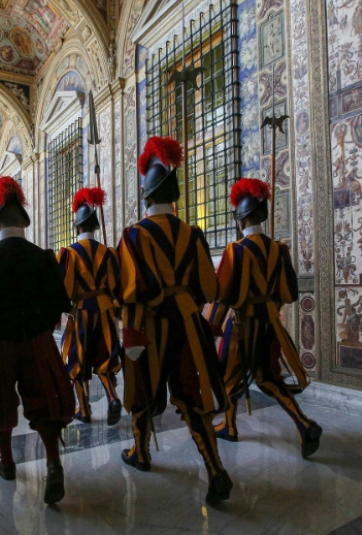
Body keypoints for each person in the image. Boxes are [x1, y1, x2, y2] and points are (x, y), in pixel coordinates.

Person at [117, 136, 233, 504]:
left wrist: (131, 334)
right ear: (174, 196)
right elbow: (208, 288)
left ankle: (141, 452)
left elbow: (130, 292)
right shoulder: (193, 233)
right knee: (190, 396)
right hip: (187, 325)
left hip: (150, 328)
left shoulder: (133, 235)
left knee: (143, 395)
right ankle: (215, 469)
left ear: (146, 196)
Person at [0, 176, 74, 504]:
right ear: (24, 222)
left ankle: (6, 462)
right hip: (38, 340)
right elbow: (57, 307)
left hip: (0, 342)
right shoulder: (43, 257)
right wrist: (42, 330)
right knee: (46, 400)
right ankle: (53, 464)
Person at [205, 178, 322, 458]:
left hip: (243, 325)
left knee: (226, 374)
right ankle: (303, 424)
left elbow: (223, 294)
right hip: (270, 324)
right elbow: (290, 292)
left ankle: (230, 426)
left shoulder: (236, 250)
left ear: (241, 218)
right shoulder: (279, 250)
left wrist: (212, 326)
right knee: (268, 377)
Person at [57, 186, 123, 426]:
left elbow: (64, 289)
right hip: (105, 311)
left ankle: (84, 410)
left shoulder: (69, 254)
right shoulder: (109, 253)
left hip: (82, 311)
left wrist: (64, 309)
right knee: (105, 356)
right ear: (95, 226)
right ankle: (113, 397)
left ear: (77, 227)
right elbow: (116, 287)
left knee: (77, 360)